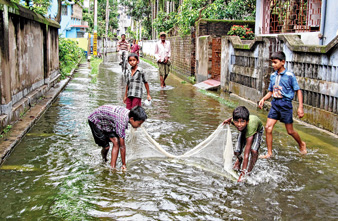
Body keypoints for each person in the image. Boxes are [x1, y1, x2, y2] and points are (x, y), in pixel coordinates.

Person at [258, 51, 307, 159]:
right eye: (272, 62)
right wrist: (263, 99)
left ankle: (301, 144)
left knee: (290, 131)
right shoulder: (273, 76)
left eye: (275, 62)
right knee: (268, 128)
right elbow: (271, 91)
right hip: (275, 103)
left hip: (285, 104)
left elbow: (298, 90)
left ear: (283, 62)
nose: (273, 65)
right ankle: (269, 153)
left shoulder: (290, 76)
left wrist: (300, 107)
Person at [88, 105, 147, 169]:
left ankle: (112, 168)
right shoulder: (122, 121)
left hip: (108, 122)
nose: (139, 126)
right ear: (131, 119)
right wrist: (124, 164)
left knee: (116, 141)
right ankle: (104, 159)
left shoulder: (129, 115)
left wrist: (136, 125)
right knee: (106, 147)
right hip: (95, 120)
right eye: (139, 124)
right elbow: (122, 147)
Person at [223, 106, 264, 182]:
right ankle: (239, 160)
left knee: (254, 151)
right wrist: (227, 120)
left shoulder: (250, 128)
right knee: (237, 151)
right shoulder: (235, 121)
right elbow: (232, 118)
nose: (239, 124)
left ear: (247, 121)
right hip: (245, 129)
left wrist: (242, 174)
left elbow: (246, 154)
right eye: (236, 122)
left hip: (257, 131)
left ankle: (248, 172)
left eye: (242, 121)